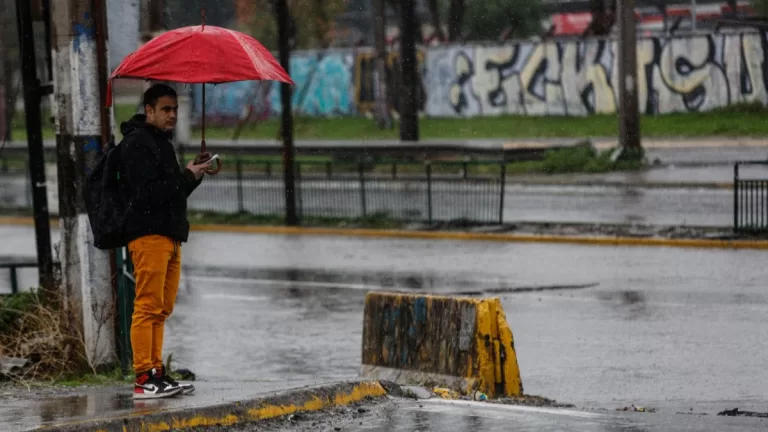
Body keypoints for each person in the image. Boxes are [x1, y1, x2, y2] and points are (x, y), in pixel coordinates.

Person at [119, 83, 211, 399]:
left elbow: (172, 193)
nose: (172, 115)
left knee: (161, 308)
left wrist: (194, 174)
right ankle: (144, 376)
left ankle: (157, 373)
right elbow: (148, 195)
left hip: (169, 237)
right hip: (149, 236)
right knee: (147, 306)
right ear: (149, 111)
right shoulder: (137, 145)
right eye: (166, 109)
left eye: (175, 109)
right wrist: (183, 176)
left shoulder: (161, 144)